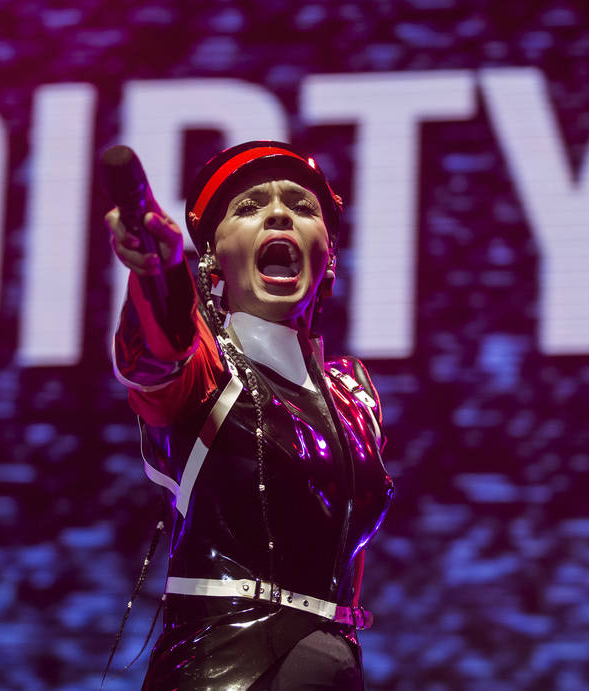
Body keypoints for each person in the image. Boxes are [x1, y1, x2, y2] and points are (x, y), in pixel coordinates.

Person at [107, 141, 394, 689]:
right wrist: (160, 272)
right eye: (249, 206)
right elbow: (158, 354)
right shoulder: (205, 375)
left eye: (302, 206)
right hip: (225, 673)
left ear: (328, 253)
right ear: (212, 256)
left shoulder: (356, 394)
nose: (280, 213)